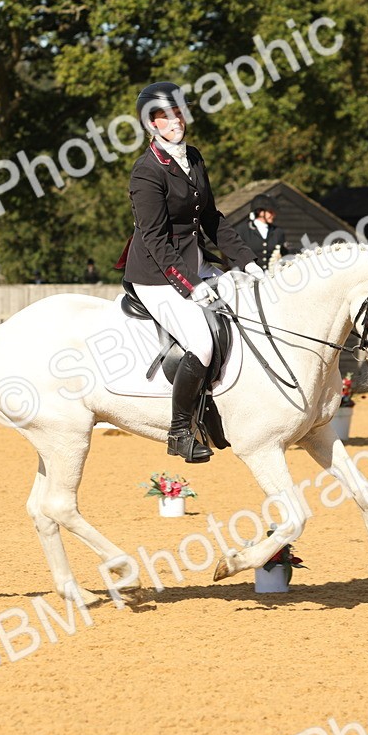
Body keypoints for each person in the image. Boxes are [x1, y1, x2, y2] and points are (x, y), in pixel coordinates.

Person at [119, 81, 266, 463]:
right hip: (156, 273)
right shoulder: (146, 172)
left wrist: (246, 260)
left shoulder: (194, 157)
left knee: (251, 308)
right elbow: (154, 239)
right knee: (200, 343)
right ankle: (180, 432)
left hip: (196, 261)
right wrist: (191, 285)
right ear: (151, 124)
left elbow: (212, 219)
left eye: (178, 112)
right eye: (164, 116)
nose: (174, 121)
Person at [236, 193, 296, 268]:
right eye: (270, 212)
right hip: (250, 276)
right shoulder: (243, 230)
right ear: (260, 212)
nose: (274, 215)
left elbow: (284, 253)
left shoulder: (278, 232)